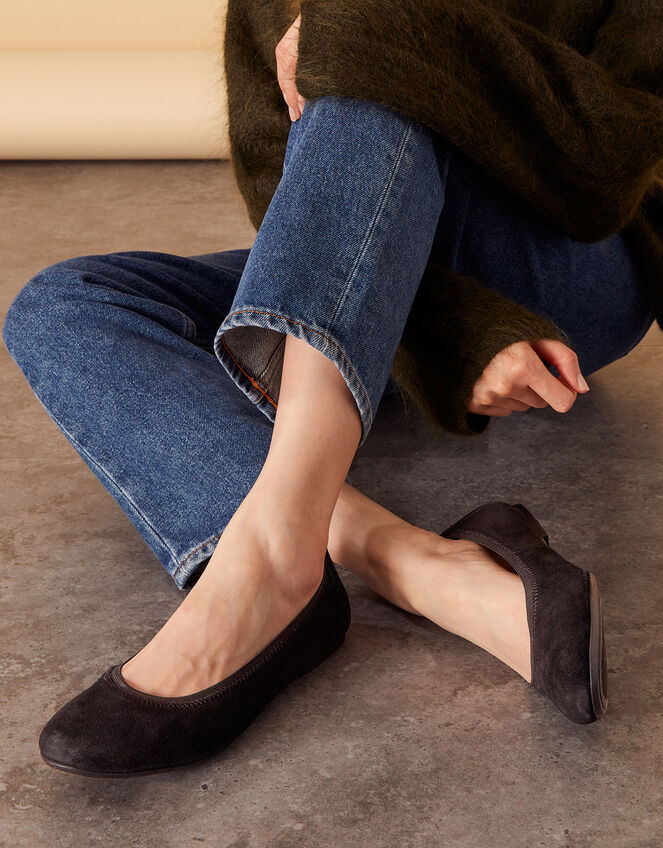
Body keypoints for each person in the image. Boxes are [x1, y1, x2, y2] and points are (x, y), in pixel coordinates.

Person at [1, 12, 654, 777]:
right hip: (369, 255)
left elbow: (617, 154)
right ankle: (401, 559)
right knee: (65, 304)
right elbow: (287, 189)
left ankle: (275, 565)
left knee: (358, 30)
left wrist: (388, 31)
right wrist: (451, 332)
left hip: (568, 272)